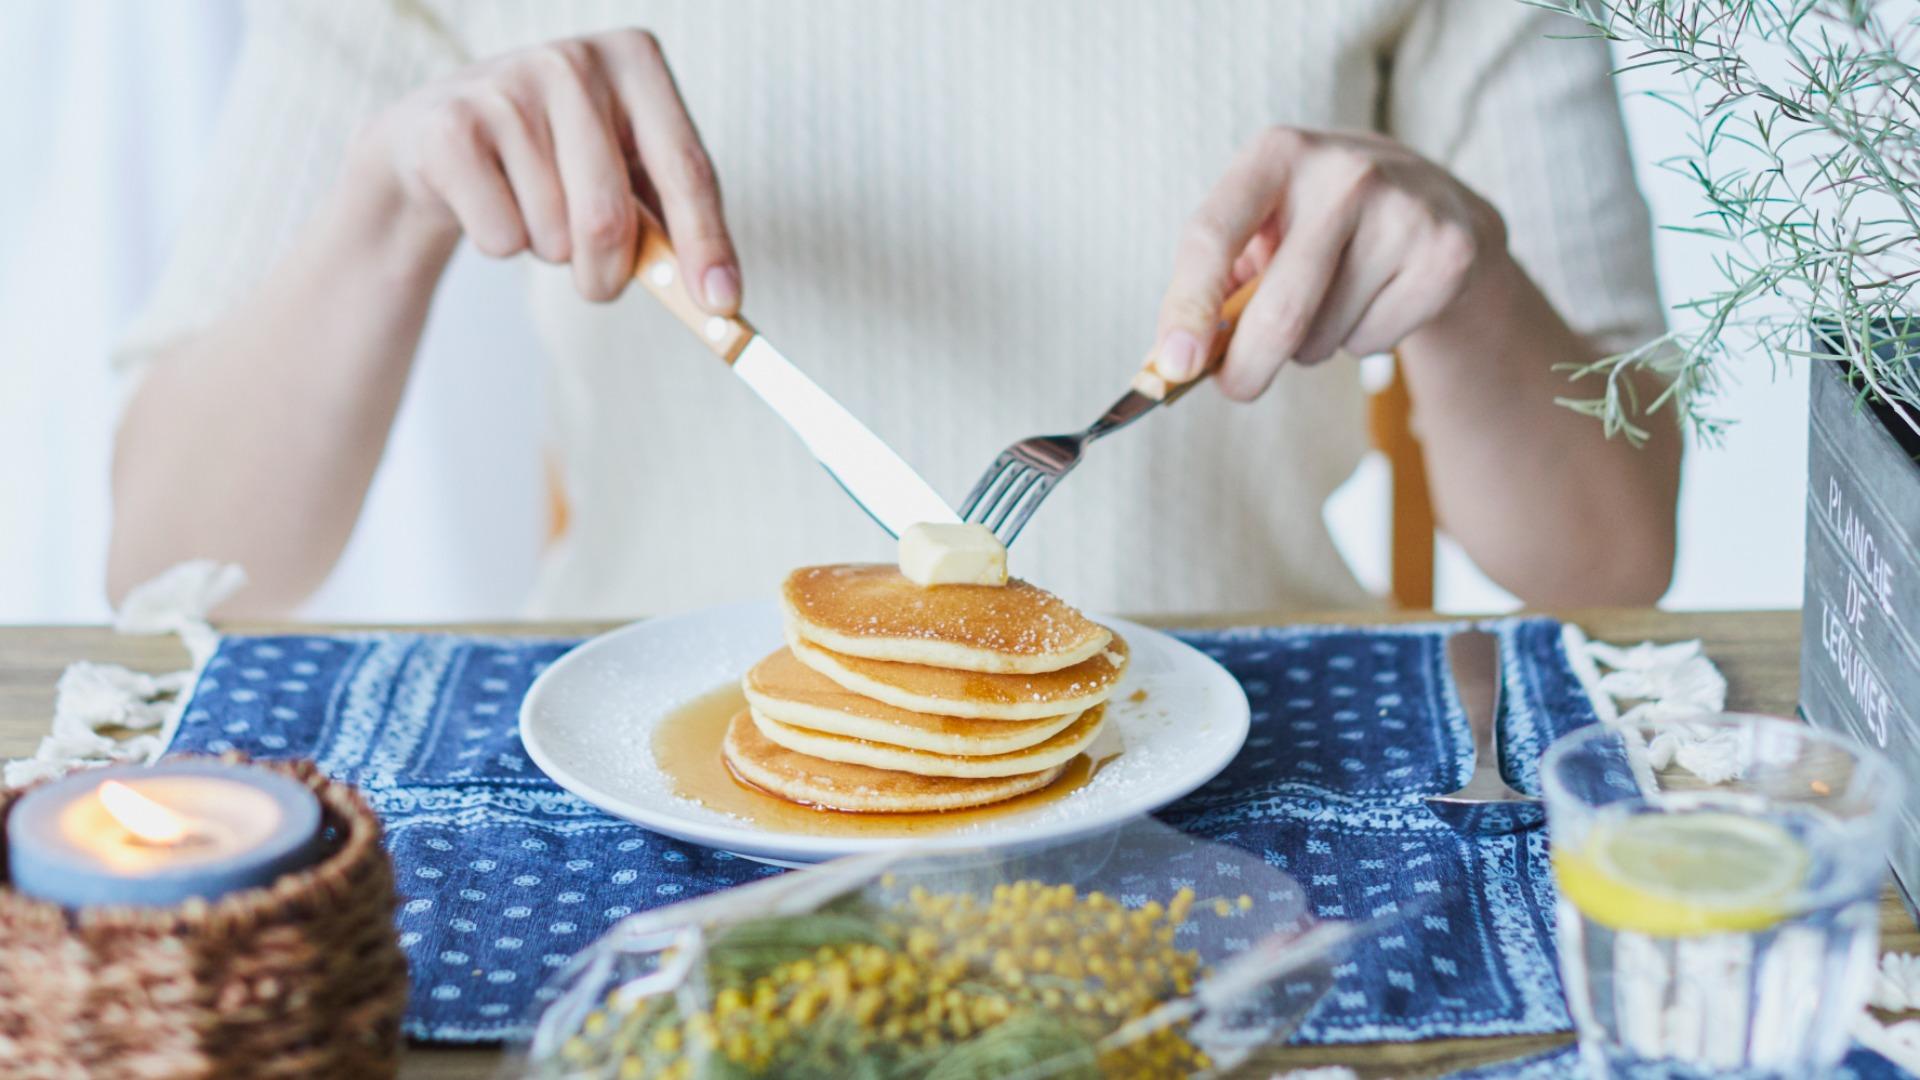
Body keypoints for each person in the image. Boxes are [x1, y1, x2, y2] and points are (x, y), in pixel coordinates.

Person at [106, 1, 1679, 619]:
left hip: (1244, 797)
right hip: (656, 831)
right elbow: (172, 561)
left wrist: (1463, 284)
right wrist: (387, 204)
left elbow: (1615, 556)